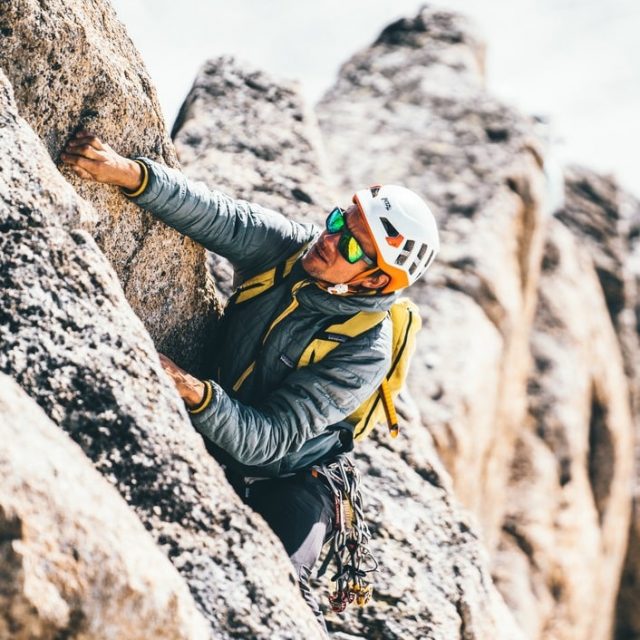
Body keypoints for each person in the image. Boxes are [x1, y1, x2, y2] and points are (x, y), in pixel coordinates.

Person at [61, 131, 439, 634]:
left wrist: (195, 392)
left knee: (268, 602)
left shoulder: (363, 349)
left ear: (375, 281)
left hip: (294, 478)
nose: (327, 238)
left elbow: (271, 440)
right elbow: (219, 215)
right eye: (336, 221)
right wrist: (128, 174)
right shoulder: (289, 252)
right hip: (224, 423)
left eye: (350, 244)